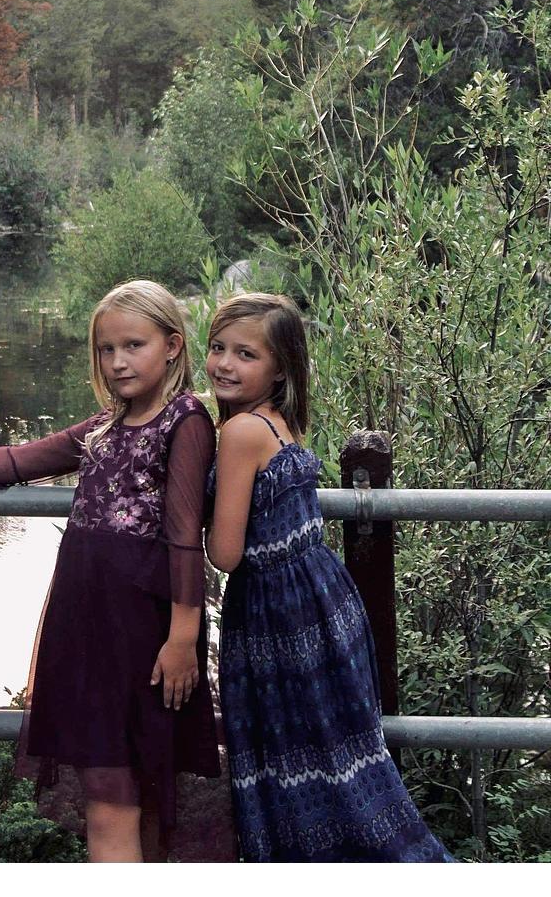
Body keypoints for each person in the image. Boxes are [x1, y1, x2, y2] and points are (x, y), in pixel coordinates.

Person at [0, 279, 221, 863]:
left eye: (133, 345)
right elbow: (17, 459)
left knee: (124, 785)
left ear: (173, 346)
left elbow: (185, 538)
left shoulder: (185, 421)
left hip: (142, 629)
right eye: (106, 349)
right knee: (106, 783)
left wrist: (183, 637)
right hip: (84, 623)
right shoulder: (107, 425)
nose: (117, 362)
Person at [204, 291, 453, 863]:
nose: (224, 364)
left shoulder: (239, 434)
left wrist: (187, 505)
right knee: (341, 758)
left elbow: (226, 553)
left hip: (276, 614)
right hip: (322, 598)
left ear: (279, 369)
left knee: (291, 761)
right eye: (218, 348)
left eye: (245, 354)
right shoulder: (280, 422)